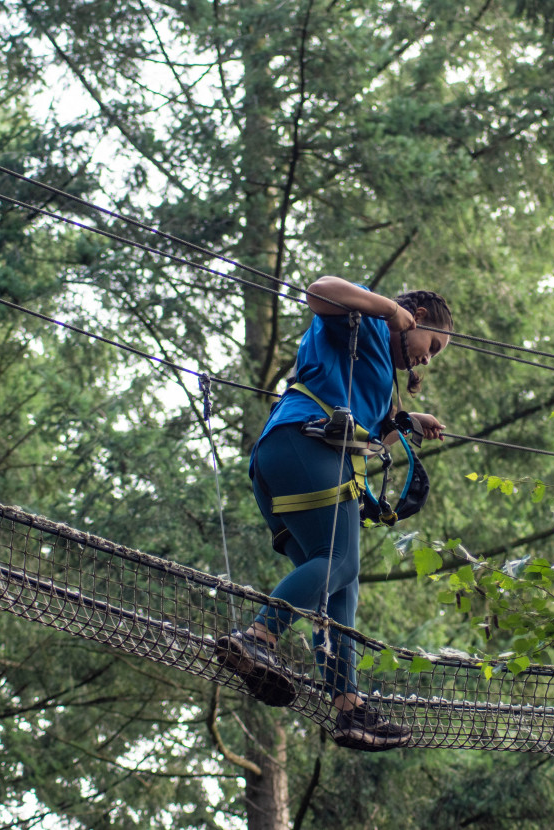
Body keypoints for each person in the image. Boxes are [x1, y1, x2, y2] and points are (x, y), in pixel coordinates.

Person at [214, 275, 452, 750]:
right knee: (340, 561)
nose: (428, 357)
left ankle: (348, 708)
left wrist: (403, 422)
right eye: (433, 345)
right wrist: (388, 308)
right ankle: (258, 635)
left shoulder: (379, 373)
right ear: (417, 319)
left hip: (289, 458)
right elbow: (320, 288)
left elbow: (368, 442)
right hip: (304, 445)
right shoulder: (361, 323)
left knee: (340, 587)